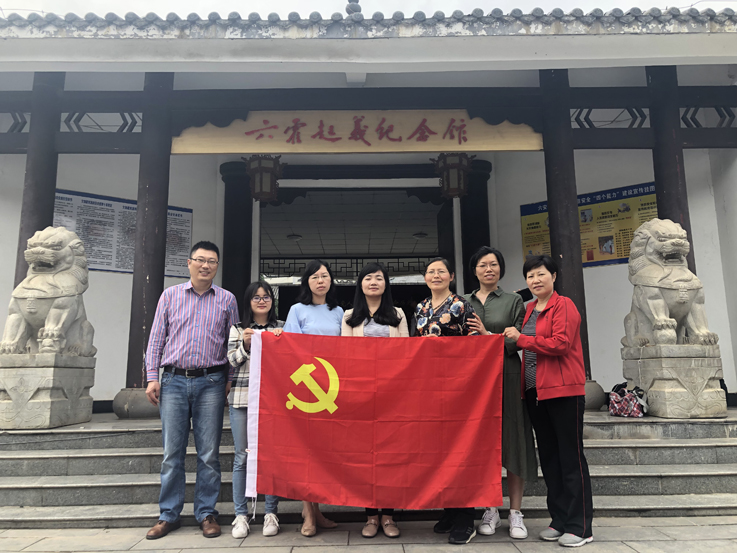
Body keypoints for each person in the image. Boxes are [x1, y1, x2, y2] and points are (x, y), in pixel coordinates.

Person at [144, 241, 239, 540]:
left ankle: (206, 513)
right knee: (172, 453)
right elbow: (156, 339)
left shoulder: (227, 299)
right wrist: (152, 377)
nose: (205, 265)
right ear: (189, 263)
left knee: (208, 454)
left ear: (217, 266)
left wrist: (230, 379)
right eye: (200, 260)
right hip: (173, 381)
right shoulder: (170, 296)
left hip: (211, 382)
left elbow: (233, 343)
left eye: (211, 261)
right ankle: (168, 515)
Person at [502, 255, 594, 548]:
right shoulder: (529, 309)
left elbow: (560, 343)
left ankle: (580, 526)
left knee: (570, 458)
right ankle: (559, 520)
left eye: (541, 274)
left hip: (563, 392)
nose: (535, 280)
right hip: (535, 393)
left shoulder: (564, 305)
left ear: (553, 276)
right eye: (530, 276)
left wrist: (521, 339)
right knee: (550, 459)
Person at [463, 247, 537, 540]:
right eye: (483, 265)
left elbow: (517, 339)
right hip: (474, 380)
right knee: (483, 442)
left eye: (494, 264)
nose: (488, 269)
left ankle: (515, 511)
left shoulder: (514, 300)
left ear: (501, 269)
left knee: (514, 438)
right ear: (475, 270)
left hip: (507, 374)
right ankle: (490, 508)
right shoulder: (463, 302)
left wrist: (486, 336)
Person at [414, 257, 480, 545]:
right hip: (429, 388)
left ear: (452, 276)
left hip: (459, 388)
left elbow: (476, 344)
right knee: (440, 451)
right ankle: (450, 511)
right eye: (431, 272)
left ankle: (466, 518)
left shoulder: (462, 305)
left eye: (441, 271)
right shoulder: (420, 307)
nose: (436, 275)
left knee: (461, 450)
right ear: (425, 278)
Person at [341, 262, 409, 539]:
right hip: (361, 394)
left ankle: (389, 516)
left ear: (385, 284)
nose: (373, 282)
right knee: (365, 456)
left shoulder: (398, 314)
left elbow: (407, 353)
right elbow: (345, 356)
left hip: (393, 395)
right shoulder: (348, 316)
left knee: (391, 456)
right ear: (360, 284)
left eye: (378, 278)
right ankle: (370, 516)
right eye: (368, 277)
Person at [283, 259, 344, 537]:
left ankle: (318, 510)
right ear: (307, 282)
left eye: (325, 276)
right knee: (306, 451)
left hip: (332, 387)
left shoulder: (338, 311)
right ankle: (308, 512)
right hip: (307, 389)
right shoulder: (297, 309)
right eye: (315, 276)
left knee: (323, 451)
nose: (321, 281)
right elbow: (291, 346)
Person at [226, 281, 284, 539]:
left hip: (273, 401)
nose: (262, 301)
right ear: (248, 302)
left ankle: (271, 512)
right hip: (242, 398)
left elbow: (290, 361)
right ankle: (241, 514)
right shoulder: (238, 329)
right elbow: (232, 360)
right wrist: (246, 345)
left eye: (266, 297)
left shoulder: (282, 327)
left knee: (271, 456)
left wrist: (282, 343)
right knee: (242, 456)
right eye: (256, 297)